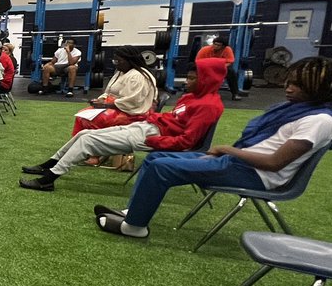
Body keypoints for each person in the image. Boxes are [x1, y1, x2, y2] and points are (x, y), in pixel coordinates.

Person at [94, 57, 332, 239]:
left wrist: (228, 150)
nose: (288, 88)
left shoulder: (320, 120)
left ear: (320, 88)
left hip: (256, 174)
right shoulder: (302, 111)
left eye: (298, 85)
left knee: (162, 167)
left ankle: (134, 227)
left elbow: (274, 163)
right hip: (242, 165)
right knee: (156, 159)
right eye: (289, 82)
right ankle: (133, 212)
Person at [19, 59, 226, 191]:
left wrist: (155, 141)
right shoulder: (192, 97)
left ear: (207, 79)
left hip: (153, 135)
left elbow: (187, 141)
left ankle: (49, 179)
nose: (186, 82)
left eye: (191, 78)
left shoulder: (208, 106)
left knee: (88, 141)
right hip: (148, 126)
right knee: (84, 134)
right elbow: (173, 120)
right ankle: (50, 164)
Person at [71, 45, 157, 135]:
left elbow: (132, 102)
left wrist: (105, 105)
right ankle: (81, 142)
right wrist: (101, 99)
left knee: (88, 120)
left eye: (118, 61)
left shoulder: (138, 76)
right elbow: (109, 91)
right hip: (117, 107)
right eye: (114, 61)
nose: (115, 64)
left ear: (129, 60)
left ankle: (95, 141)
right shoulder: (121, 72)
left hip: (133, 114)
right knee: (81, 114)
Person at [196, 33, 243, 100]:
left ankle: (235, 94)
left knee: (231, 72)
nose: (216, 46)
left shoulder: (227, 49)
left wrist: (220, 67)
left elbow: (230, 61)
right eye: (215, 44)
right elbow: (198, 61)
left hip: (220, 68)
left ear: (223, 46)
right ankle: (199, 92)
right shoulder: (204, 50)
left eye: (218, 45)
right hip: (206, 68)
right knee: (194, 69)